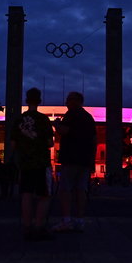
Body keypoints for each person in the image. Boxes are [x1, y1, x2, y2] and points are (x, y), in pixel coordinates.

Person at [10, 88, 55, 241]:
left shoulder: (18, 120)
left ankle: (27, 227)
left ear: (26, 100)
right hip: (41, 162)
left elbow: (13, 144)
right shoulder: (43, 119)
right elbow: (50, 142)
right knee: (44, 195)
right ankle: (39, 226)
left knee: (26, 195)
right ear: (39, 100)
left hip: (25, 162)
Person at [52, 92, 97, 232]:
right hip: (85, 159)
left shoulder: (71, 114)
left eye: (68, 100)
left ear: (75, 101)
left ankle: (66, 220)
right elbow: (94, 140)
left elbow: (64, 131)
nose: (66, 102)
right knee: (81, 189)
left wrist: (57, 124)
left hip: (71, 157)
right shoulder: (89, 117)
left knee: (65, 189)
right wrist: (92, 160)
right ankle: (79, 220)